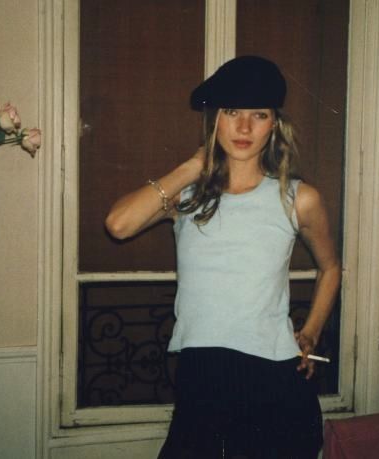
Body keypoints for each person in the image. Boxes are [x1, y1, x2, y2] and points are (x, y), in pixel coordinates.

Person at [105, 55, 341, 458]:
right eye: (232, 112)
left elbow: (331, 268)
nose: (244, 128)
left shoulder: (298, 198)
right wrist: (194, 165)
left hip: (274, 380)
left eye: (258, 115)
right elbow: (118, 224)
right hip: (201, 376)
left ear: (274, 124)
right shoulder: (188, 196)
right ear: (215, 119)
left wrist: (312, 332)